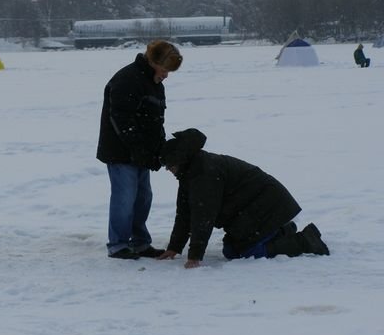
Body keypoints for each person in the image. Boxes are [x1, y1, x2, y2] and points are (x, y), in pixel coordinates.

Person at [157, 128, 329, 268]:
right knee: (231, 251)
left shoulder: (204, 174)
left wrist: (194, 256)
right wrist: (174, 248)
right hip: (255, 208)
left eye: (169, 166)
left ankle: (305, 241)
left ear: (181, 160)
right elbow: (185, 213)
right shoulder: (190, 173)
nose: (168, 170)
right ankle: (282, 229)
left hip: (268, 203)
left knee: (249, 251)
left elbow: (204, 216)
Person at [97, 40, 183, 259]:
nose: (166, 75)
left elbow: (156, 121)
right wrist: (138, 149)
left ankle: (140, 242)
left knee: (143, 198)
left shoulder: (154, 83)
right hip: (120, 152)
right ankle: (118, 245)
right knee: (124, 198)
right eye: (165, 70)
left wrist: (158, 149)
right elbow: (121, 119)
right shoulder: (127, 79)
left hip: (141, 153)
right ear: (153, 62)